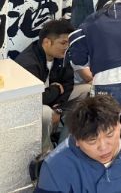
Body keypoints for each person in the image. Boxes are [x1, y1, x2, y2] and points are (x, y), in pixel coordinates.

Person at [16, 19, 90, 152]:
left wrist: (59, 108)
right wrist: (55, 89)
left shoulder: (62, 56)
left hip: (52, 100)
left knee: (88, 90)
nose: (67, 47)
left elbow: (68, 84)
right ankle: (45, 151)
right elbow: (35, 99)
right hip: (33, 105)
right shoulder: (29, 63)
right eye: (63, 43)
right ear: (47, 42)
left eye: (69, 43)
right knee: (45, 113)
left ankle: (64, 144)